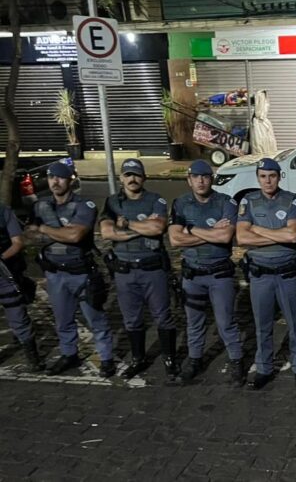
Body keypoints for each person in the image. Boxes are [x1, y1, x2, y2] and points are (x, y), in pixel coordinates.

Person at [24, 162, 114, 377]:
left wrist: (44, 229)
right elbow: (28, 236)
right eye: (51, 177)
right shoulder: (40, 206)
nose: (55, 182)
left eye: (60, 177)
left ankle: (106, 358)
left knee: (96, 319)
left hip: (82, 272)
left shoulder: (85, 205)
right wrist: (56, 232)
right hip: (54, 273)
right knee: (63, 319)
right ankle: (69, 354)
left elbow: (75, 236)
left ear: (70, 180)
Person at [99, 159, 179, 380]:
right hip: (124, 271)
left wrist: (126, 225)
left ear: (144, 177)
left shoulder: (155, 200)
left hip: (152, 269)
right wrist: (142, 228)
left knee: (163, 316)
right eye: (127, 175)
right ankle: (138, 359)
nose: (132, 179)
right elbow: (107, 233)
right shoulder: (113, 202)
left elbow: (157, 228)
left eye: (136, 174)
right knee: (131, 319)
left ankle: (169, 358)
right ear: (121, 178)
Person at [236, 158, 296, 390]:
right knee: (262, 325)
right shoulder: (248, 201)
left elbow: (292, 237)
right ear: (257, 177)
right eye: (263, 176)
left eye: (272, 176)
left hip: (287, 274)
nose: (268, 180)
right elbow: (242, 238)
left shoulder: (291, 200)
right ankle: (264, 368)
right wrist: (276, 233)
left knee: (295, 324)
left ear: (280, 177)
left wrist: (256, 228)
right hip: (260, 275)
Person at [168, 160, 244, 385]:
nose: (201, 181)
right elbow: (174, 239)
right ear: (189, 180)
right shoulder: (180, 203)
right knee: (194, 322)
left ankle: (237, 361)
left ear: (211, 179)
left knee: (225, 322)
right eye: (196, 177)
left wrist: (189, 229)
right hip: (192, 274)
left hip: (219, 274)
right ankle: (195, 360)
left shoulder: (225, 202)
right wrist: (209, 232)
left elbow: (225, 237)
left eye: (205, 177)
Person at [0, 203, 43, 371]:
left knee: (17, 316)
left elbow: (17, 242)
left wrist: (2, 258)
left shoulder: (3, 211)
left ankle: (33, 357)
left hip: (5, 273)